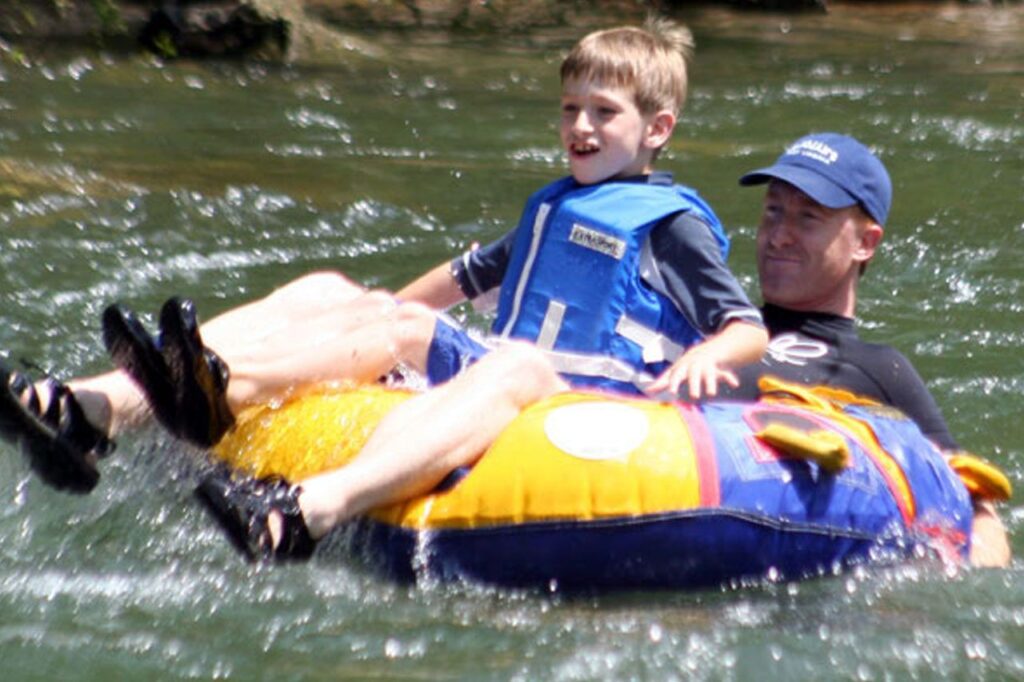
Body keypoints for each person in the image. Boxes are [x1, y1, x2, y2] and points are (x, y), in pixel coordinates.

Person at [0, 19, 766, 493]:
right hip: (500, 364)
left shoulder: (671, 224)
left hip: (576, 398)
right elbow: (463, 279)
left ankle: (222, 387)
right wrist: (368, 313)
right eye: (570, 108)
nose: (581, 126)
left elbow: (745, 326)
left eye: (606, 112)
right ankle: (94, 405)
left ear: (658, 129)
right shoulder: (558, 204)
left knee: (396, 331)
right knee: (329, 288)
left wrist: (716, 356)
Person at [192, 131, 1010, 569]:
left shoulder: (875, 368)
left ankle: (310, 505)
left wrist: (960, 581)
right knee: (332, 294)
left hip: (678, 489)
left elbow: (967, 499)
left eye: (807, 218)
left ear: (865, 241)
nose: (777, 234)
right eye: (773, 213)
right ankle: (150, 391)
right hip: (576, 424)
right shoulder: (703, 308)